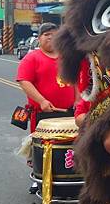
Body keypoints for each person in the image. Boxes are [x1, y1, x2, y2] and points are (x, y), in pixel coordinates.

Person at [17, 22, 75, 193]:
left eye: (54, 34)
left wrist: (79, 102)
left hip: (69, 113)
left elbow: (77, 82)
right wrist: (42, 100)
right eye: (46, 34)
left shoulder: (67, 58)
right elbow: (24, 81)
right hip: (44, 114)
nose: (50, 37)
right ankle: (38, 178)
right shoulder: (32, 57)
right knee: (40, 148)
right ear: (39, 38)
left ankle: (67, 179)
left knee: (67, 148)